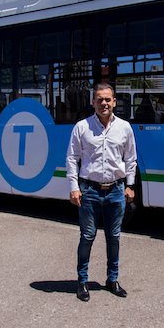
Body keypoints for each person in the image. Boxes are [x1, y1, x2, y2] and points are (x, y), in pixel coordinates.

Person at [66, 83, 137, 302]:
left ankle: (112, 280)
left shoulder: (124, 127)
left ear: (114, 101)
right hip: (89, 190)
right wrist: (74, 187)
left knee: (113, 237)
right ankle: (82, 281)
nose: (104, 103)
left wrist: (130, 185)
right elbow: (72, 158)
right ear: (93, 102)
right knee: (87, 236)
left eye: (108, 99)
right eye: (99, 99)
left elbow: (130, 158)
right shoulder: (82, 127)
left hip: (116, 190)